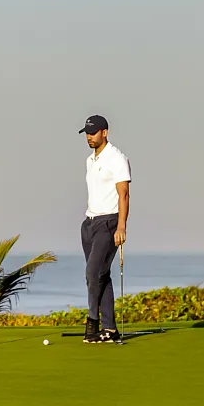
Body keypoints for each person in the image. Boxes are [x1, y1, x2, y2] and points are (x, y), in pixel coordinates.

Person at [77, 114, 129, 344]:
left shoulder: (117, 158)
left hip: (108, 223)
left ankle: (92, 324)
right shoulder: (90, 160)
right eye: (87, 133)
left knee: (92, 273)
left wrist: (121, 227)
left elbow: (124, 195)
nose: (90, 136)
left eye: (94, 132)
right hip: (89, 224)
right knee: (101, 275)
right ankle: (110, 328)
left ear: (104, 132)